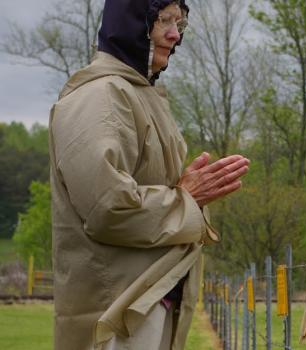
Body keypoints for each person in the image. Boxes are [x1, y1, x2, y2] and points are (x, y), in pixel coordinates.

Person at [48, 1, 249, 349]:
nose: (174, 34)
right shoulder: (101, 97)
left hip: (142, 304)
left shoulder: (137, 94)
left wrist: (186, 195)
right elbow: (107, 207)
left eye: (180, 23)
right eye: (163, 21)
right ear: (129, 24)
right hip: (115, 315)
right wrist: (188, 197)